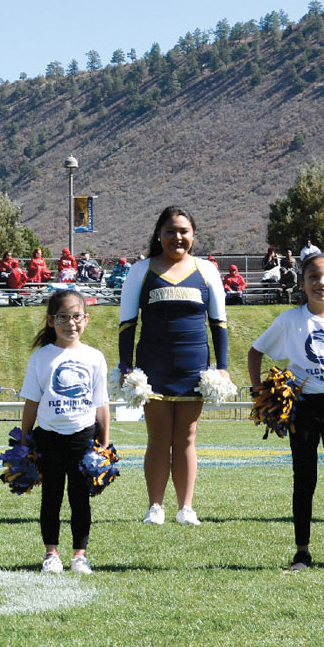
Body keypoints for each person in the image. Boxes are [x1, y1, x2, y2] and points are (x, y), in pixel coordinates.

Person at [248, 250, 324, 572]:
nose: (321, 282)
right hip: (302, 406)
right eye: (314, 276)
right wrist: (260, 394)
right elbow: (255, 352)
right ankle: (302, 553)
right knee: (304, 478)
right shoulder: (290, 320)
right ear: (301, 282)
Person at [118, 206, 229, 526]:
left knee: (187, 438)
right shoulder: (141, 270)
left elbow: (219, 323)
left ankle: (185, 507)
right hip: (153, 367)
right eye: (170, 231)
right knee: (158, 437)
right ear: (159, 235)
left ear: (193, 235)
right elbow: (127, 323)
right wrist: (126, 366)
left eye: (183, 231)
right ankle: (155, 506)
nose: (177, 237)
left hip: (194, 368)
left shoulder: (207, 270)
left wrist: (222, 366)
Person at [20, 290, 111, 575]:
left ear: (86, 319)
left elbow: (101, 403)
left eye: (76, 317)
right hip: (49, 437)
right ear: (51, 320)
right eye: (63, 317)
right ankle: (51, 553)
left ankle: (80, 555)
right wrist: (24, 439)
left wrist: (104, 443)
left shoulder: (95, 357)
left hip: (83, 436)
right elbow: (32, 402)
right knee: (51, 497)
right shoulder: (40, 357)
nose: (70, 323)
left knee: (80, 498)